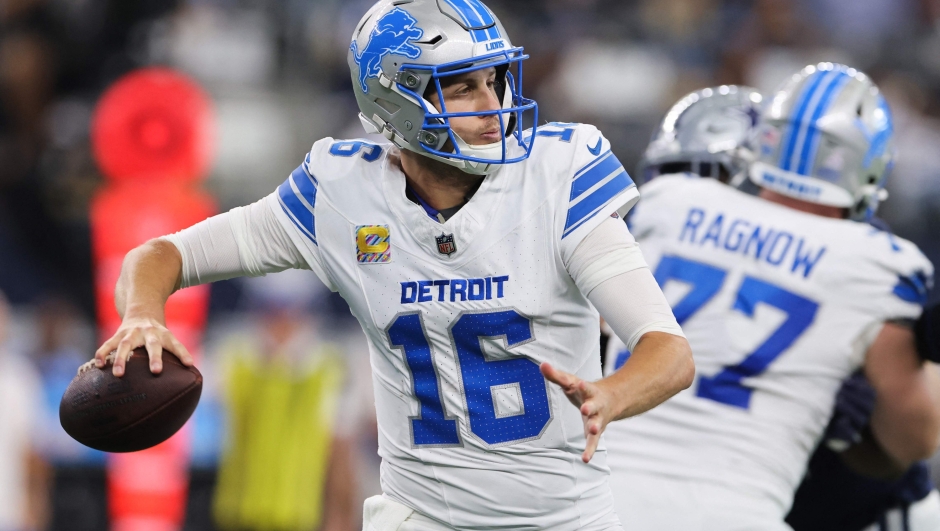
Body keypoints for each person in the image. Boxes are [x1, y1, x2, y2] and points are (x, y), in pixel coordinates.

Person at [93, 1, 694, 529]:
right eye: (462, 87)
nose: (494, 106)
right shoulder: (343, 193)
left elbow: (668, 352)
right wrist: (142, 314)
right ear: (396, 100)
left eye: (497, 81)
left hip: (565, 520)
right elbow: (163, 253)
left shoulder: (557, 179)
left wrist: (610, 394)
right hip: (422, 516)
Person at [602, 64, 940, 530]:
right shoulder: (880, 266)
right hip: (739, 510)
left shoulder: (667, 200)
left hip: (597, 500)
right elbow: (915, 438)